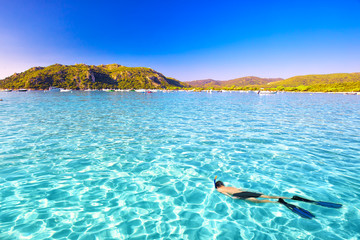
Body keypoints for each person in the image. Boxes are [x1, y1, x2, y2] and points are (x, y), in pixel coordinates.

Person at [215, 180, 290, 203]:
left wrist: (231, 197)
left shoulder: (219, 189)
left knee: (257, 201)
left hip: (238, 195)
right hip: (244, 192)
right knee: (267, 196)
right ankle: (289, 198)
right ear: (222, 184)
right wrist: (255, 192)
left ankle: (277, 202)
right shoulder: (230, 186)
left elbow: (224, 193)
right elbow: (242, 189)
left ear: (218, 186)